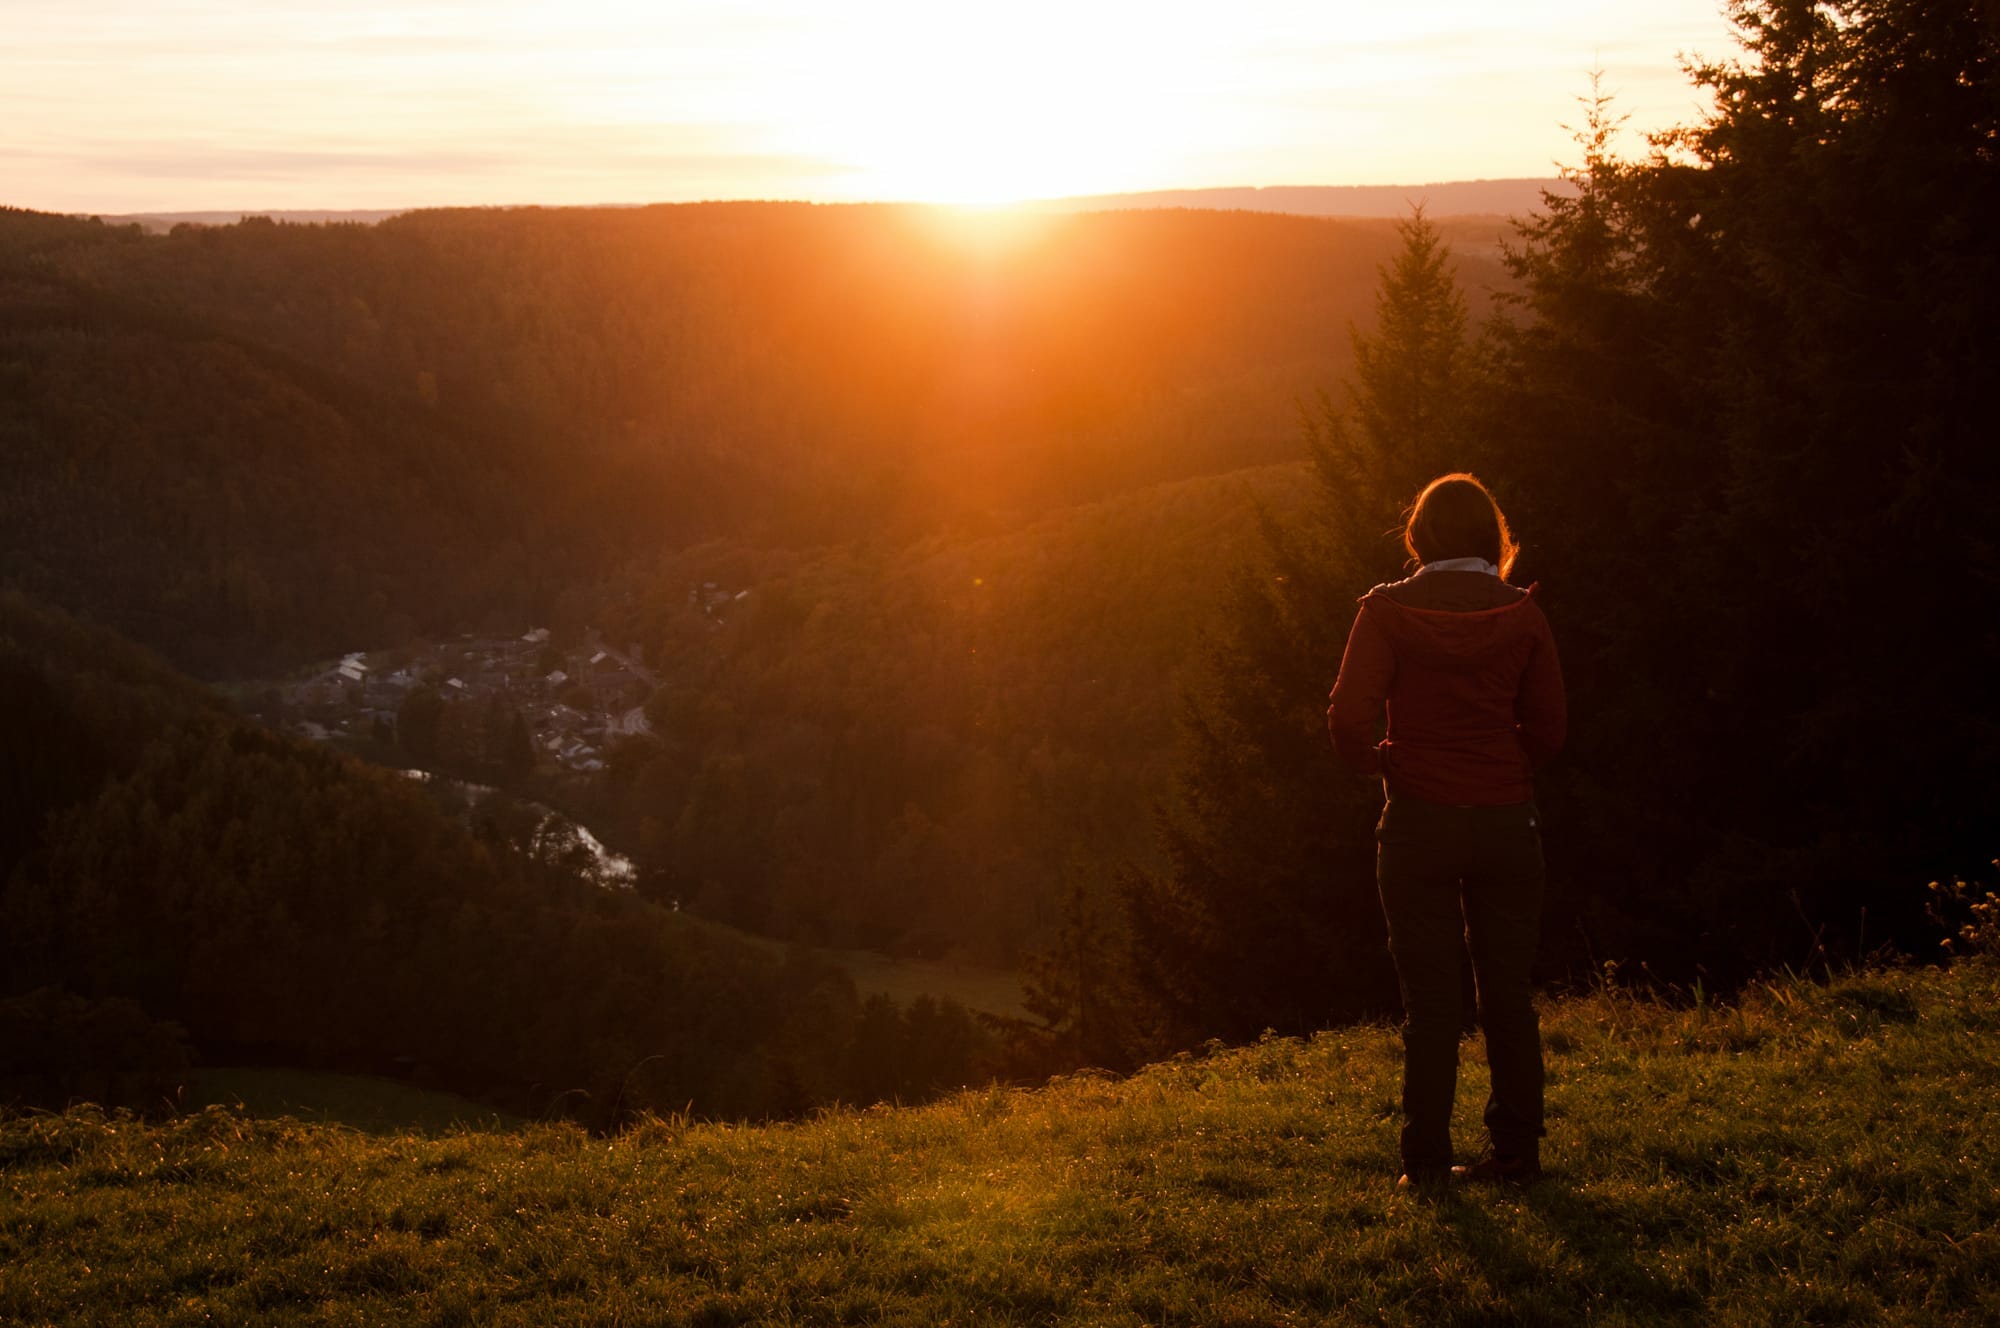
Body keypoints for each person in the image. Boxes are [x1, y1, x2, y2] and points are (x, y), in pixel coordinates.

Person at [1326, 473, 1566, 1190]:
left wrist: (1382, 764)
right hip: (1504, 821)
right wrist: (1505, 764)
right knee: (1508, 996)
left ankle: (1425, 1162)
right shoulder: (1522, 615)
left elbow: (1346, 717)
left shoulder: (1386, 612)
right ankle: (1517, 1155)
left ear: (1419, 537)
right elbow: (1550, 729)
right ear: (1492, 538)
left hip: (1419, 822)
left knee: (1431, 1003)